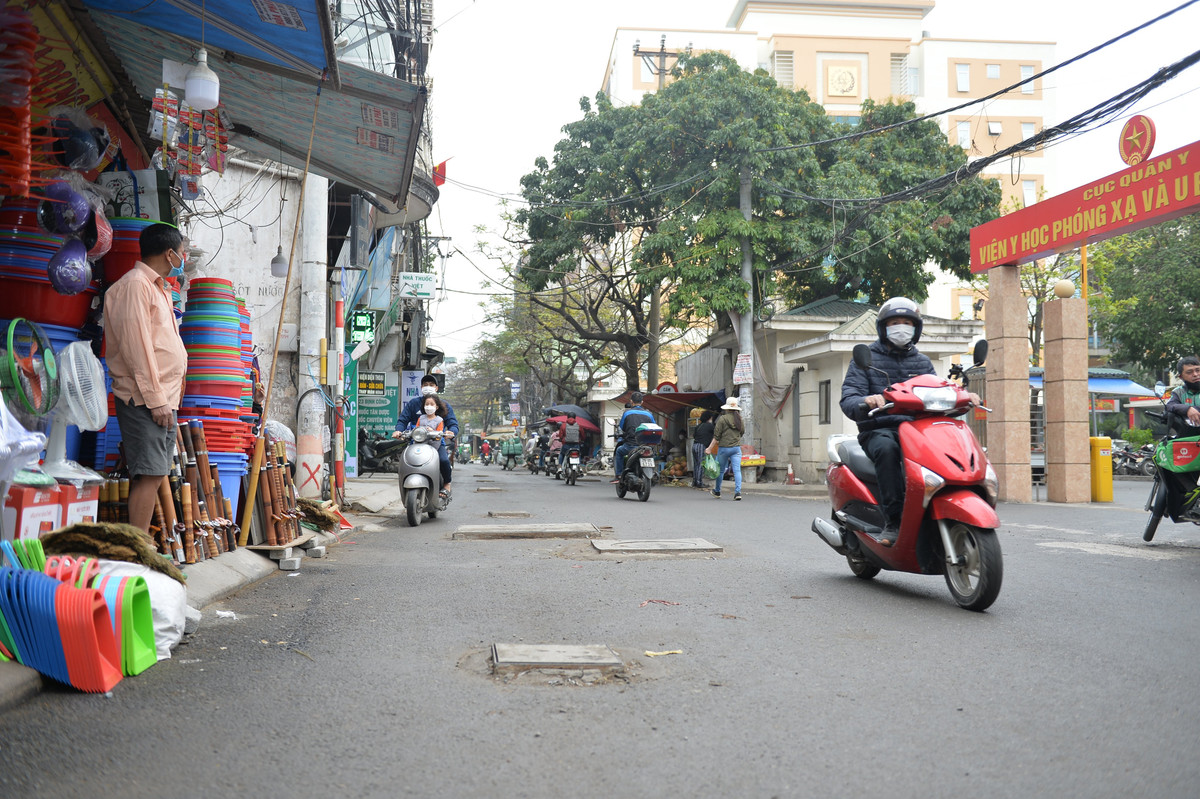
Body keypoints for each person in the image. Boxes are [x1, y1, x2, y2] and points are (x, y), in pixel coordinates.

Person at [840, 297, 980, 545]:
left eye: (907, 322)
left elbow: (938, 398)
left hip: (919, 431)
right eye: (895, 322)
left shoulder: (923, 363)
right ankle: (893, 521)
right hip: (880, 429)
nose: (901, 327)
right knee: (887, 449)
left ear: (916, 329)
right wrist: (869, 400)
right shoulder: (866, 359)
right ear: (883, 328)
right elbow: (849, 399)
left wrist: (964, 398)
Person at [104, 222, 188, 536]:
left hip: (161, 399)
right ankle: (136, 548)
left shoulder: (157, 288)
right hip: (145, 399)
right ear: (170, 253)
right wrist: (157, 402)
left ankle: (139, 544)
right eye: (182, 252)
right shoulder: (135, 285)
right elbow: (138, 349)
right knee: (150, 474)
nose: (184, 257)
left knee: (154, 474)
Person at [394, 374, 458, 498]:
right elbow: (403, 420)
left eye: (431, 385)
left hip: (436, 444)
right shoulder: (414, 404)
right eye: (425, 385)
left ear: (436, 388)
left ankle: (446, 483)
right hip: (416, 443)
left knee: (444, 460)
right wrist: (398, 431)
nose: (428, 387)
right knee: (404, 462)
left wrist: (451, 432)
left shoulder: (444, 405)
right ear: (421, 387)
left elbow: (453, 424)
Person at [1163, 355, 1200, 518]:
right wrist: (1187, 409)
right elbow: (1170, 406)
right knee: (1168, 460)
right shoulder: (1179, 392)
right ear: (1181, 376)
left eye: (1198, 370)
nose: (1195, 374)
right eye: (1190, 372)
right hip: (1187, 440)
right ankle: (1192, 494)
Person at [611, 392, 655, 482]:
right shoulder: (649, 414)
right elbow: (653, 427)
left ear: (631, 402)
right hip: (645, 446)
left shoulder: (627, 413)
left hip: (630, 445)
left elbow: (622, 427)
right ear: (642, 402)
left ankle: (619, 475)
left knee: (619, 451)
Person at [711, 398, 745, 500]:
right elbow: (742, 432)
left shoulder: (722, 419)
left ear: (727, 408)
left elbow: (716, 436)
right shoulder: (739, 419)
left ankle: (717, 491)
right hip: (736, 449)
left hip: (724, 448)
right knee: (737, 471)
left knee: (720, 471)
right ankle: (737, 493)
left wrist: (709, 448)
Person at [692, 410, 715, 489]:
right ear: (709, 418)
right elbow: (716, 435)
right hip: (701, 446)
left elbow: (694, 435)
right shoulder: (710, 426)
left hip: (694, 445)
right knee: (701, 464)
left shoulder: (698, 426)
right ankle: (699, 482)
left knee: (696, 464)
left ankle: (695, 481)